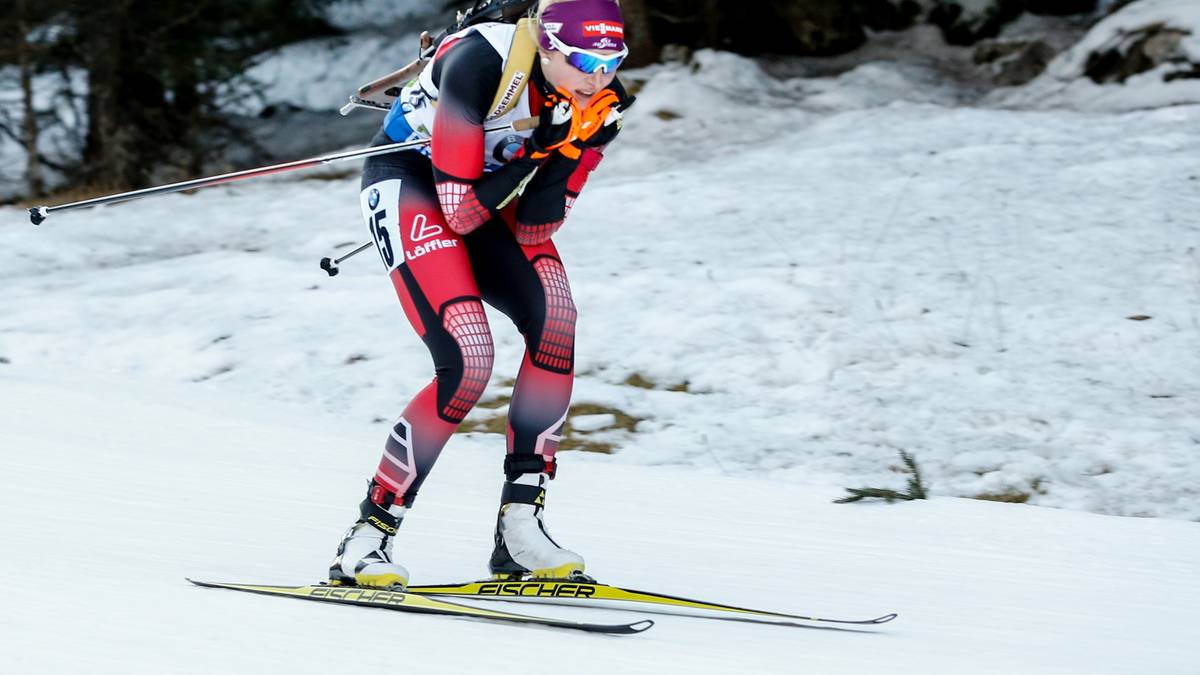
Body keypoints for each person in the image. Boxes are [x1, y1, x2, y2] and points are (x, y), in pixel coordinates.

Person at [329, 0, 634, 589]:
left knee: (556, 318)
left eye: (611, 61)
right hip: (414, 183)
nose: (597, 77)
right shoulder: (479, 62)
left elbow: (537, 226)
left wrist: (567, 149)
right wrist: (541, 147)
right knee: (468, 356)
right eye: (583, 61)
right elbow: (460, 213)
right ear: (547, 46)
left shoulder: (603, 104)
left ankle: (521, 529)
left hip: (489, 195)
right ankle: (368, 535)